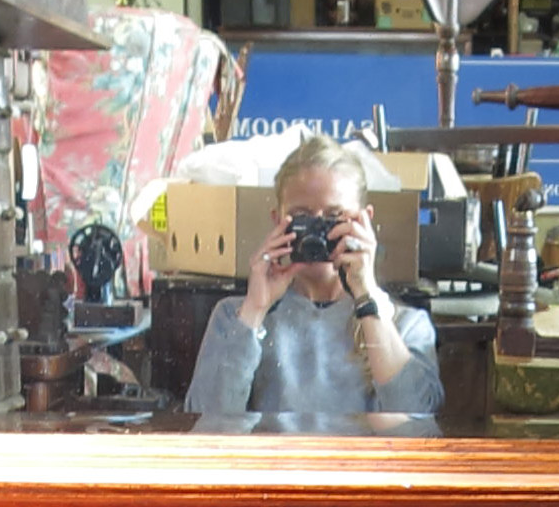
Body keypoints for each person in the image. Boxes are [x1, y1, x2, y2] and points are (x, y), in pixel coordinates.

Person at [183, 132, 442, 420]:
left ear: (364, 221)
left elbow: (418, 422)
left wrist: (366, 296)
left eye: (334, 216)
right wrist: (254, 311)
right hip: (276, 464)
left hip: (362, 465)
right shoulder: (234, 316)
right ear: (277, 220)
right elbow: (205, 421)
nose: (319, 231)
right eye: (302, 216)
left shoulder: (404, 325)